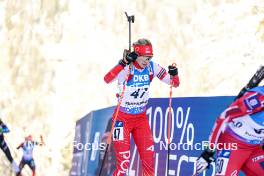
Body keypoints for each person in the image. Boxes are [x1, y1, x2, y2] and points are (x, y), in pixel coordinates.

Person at [104, 38, 180, 176]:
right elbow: (107, 79)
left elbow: (174, 83)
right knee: (123, 164)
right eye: (144, 57)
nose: (147, 60)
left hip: (140, 119)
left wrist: (175, 74)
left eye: (150, 57)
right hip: (122, 120)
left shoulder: (152, 67)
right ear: (136, 55)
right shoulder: (127, 68)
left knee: (149, 161)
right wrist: (122, 63)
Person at [196, 85, 264, 175]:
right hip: (232, 145)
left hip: (255, 148)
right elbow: (224, 116)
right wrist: (208, 152)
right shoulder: (258, 98)